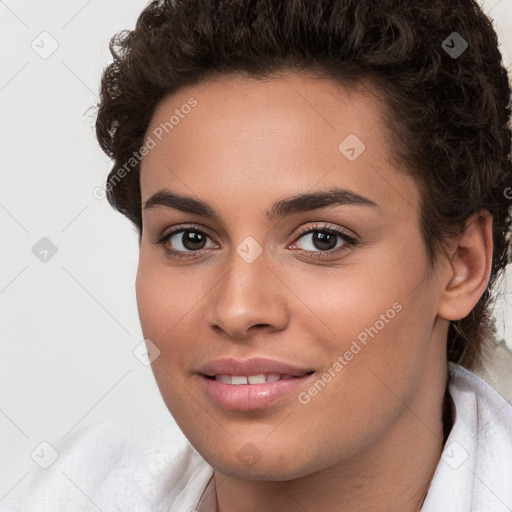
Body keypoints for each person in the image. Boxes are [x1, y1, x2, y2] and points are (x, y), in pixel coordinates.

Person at [2, 0, 511, 510]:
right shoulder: (59, 494)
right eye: (190, 239)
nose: (238, 310)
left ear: (460, 266)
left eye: (322, 239)